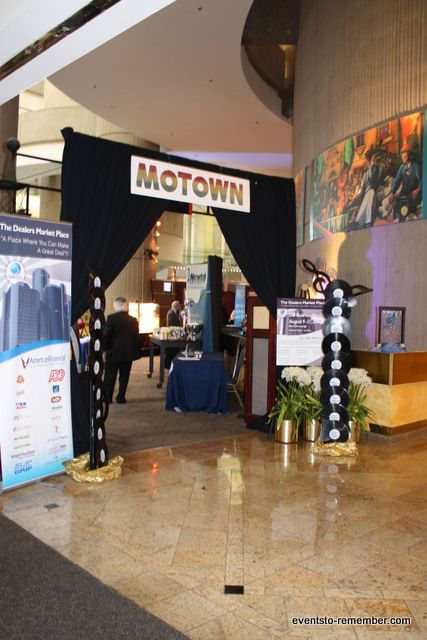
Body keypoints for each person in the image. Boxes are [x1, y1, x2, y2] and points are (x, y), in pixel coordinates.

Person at [103, 296, 140, 404]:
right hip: (128, 353)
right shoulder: (133, 320)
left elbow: (106, 336)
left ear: (116, 306)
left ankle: (107, 398)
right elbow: (136, 337)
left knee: (110, 376)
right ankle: (121, 397)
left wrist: (104, 349)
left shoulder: (111, 318)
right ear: (125, 306)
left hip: (113, 353)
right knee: (124, 376)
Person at [388, 144, 422, 220]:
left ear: (409, 156)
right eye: (402, 156)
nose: (403, 158)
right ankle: (395, 216)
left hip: (414, 191)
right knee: (397, 202)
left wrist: (418, 190)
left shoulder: (415, 166)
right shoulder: (401, 168)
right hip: (405, 191)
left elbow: (422, 180)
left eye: (405, 156)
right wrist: (392, 193)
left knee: (410, 206)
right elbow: (397, 181)